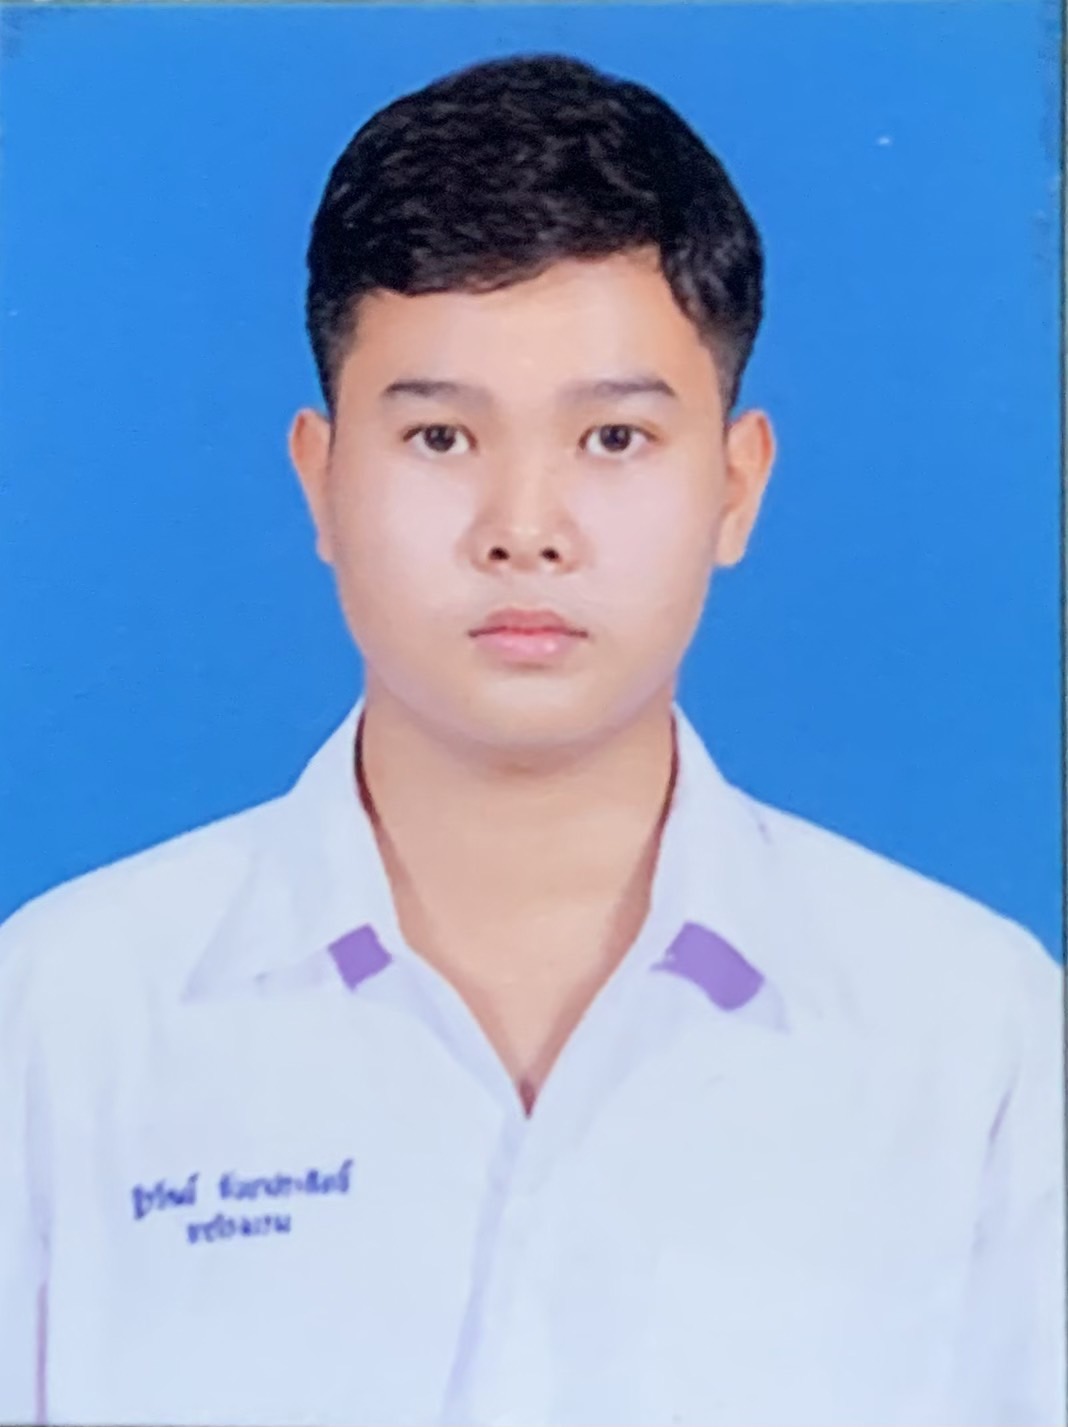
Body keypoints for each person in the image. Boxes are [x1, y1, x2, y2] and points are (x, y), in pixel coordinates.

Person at [0, 52, 1063, 1427]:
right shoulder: (60, 1024)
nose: (524, 527)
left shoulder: (974, 1040)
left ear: (736, 488)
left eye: (613, 439)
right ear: (321, 481)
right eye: (441, 438)